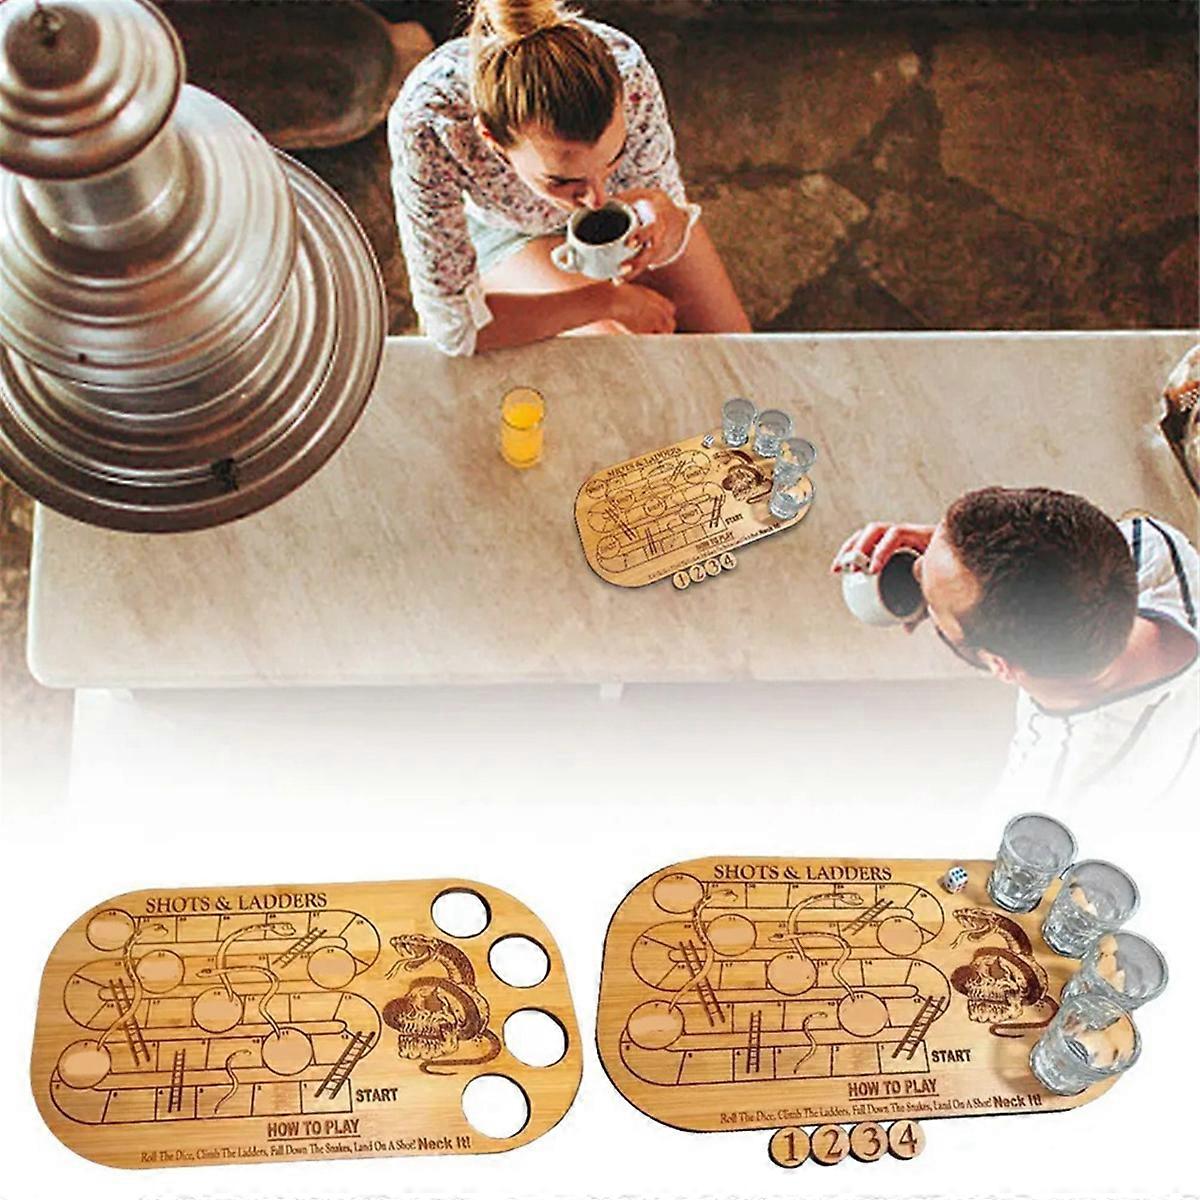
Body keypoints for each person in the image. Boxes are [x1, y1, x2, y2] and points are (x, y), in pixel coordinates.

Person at [386, 0, 750, 357]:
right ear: (491, 139)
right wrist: (604, 301)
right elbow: (455, 329)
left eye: (613, 159)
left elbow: (661, 204)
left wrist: (664, 215)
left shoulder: (625, 71)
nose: (596, 199)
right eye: (561, 180)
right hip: (505, 228)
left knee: (740, 356)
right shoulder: (429, 123)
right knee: (621, 358)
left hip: (622, 212)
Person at [832, 487, 1199, 804]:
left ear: (1000, 666)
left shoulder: (1050, 793)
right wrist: (954, 560)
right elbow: (1052, 561)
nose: (919, 566)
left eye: (931, 603)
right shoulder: (1155, 548)